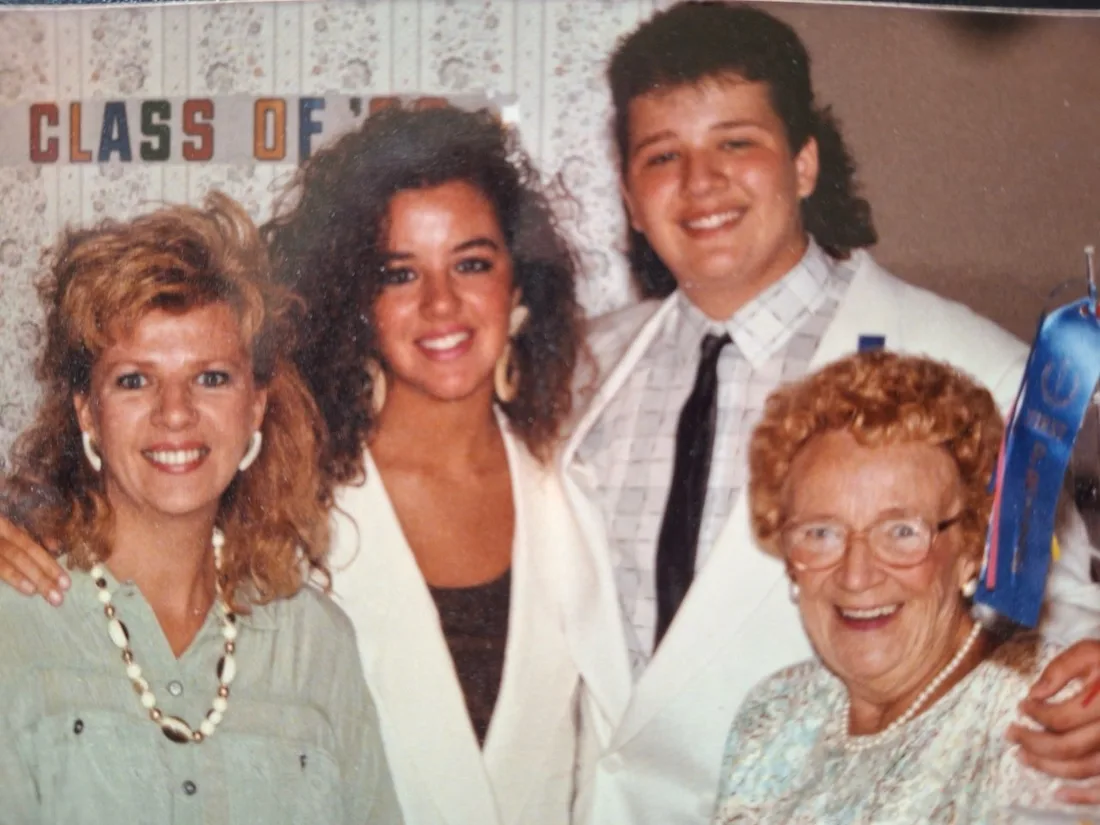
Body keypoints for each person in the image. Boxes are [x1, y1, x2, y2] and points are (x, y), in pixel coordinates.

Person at [558, 3, 1100, 823]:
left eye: (735, 142)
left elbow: (1063, 621)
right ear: (631, 198)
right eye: (662, 155)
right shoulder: (575, 374)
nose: (699, 183)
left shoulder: (981, 370)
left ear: (804, 162)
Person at [0, 108, 584, 825]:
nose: (176, 411)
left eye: (471, 262)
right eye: (400, 271)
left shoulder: (582, 485)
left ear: (255, 404)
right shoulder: (25, 605)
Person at [0, 193, 401, 823]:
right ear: (87, 413)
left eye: (211, 377)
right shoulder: (14, 622)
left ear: (256, 406)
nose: (176, 413)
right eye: (134, 379)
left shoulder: (315, 643)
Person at [712, 350, 1097, 823]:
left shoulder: (1049, 719)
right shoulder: (774, 712)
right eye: (821, 533)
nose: (856, 576)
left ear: (973, 547)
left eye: (901, 532)